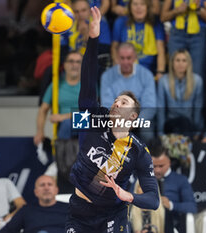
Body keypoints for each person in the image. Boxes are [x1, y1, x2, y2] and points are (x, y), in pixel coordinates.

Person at [65, 7, 159, 233]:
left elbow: (153, 200)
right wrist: (93, 38)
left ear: (133, 116)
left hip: (112, 215)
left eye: (124, 103)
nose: (116, 103)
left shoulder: (138, 151)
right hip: (79, 212)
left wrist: (129, 195)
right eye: (116, 100)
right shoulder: (94, 119)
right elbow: (87, 79)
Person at [100, 42, 156, 143]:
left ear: (135, 57)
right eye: (122, 58)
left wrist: (132, 122)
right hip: (115, 120)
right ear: (117, 57)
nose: (125, 62)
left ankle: (148, 158)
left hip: (139, 120)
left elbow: (150, 106)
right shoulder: (107, 76)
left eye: (129, 58)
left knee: (147, 130)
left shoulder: (146, 75)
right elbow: (107, 106)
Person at [34, 51, 82, 144]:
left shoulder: (88, 85)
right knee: (66, 125)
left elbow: (91, 111)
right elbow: (43, 109)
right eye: (71, 61)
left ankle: (62, 157)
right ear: (64, 65)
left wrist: (63, 117)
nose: (74, 65)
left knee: (67, 124)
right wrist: (40, 131)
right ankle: (61, 157)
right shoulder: (55, 85)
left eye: (78, 62)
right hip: (63, 127)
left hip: (84, 121)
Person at [150, 141, 197, 233]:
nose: (157, 170)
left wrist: (171, 205)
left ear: (169, 162)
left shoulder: (180, 180)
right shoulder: (142, 180)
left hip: (172, 226)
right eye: (154, 166)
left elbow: (192, 207)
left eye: (161, 166)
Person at [157, 49, 203, 138]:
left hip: (188, 124)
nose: (180, 64)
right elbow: (161, 108)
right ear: (172, 63)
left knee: (185, 124)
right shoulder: (163, 81)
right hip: (170, 123)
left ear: (188, 63)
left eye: (184, 60)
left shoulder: (197, 80)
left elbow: (198, 108)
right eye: (177, 60)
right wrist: (161, 134)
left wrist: (197, 131)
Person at [0, 175, 69, 233]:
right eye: (42, 185)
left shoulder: (70, 209)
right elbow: (8, 230)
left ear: (56, 190)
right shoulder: (26, 211)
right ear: (36, 192)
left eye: (49, 184)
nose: (46, 188)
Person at [161, 0, 206, 80]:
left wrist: (198, 9)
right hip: (177, 33)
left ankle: (196, 93)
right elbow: (163, 17)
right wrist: (176, 10)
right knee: (175, 72)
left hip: (198, 34)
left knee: (197, 74)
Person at [111, 0, 166, 75]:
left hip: (149, 72)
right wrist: (118, 69)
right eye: (135, 4)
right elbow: (114, 48)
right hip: (126, 71)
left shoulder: (156, 23)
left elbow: (161, 51)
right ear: (129, 7)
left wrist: (160, 72)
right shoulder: (120, 22)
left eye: (142, 4)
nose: (138, 8)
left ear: (148, 7)